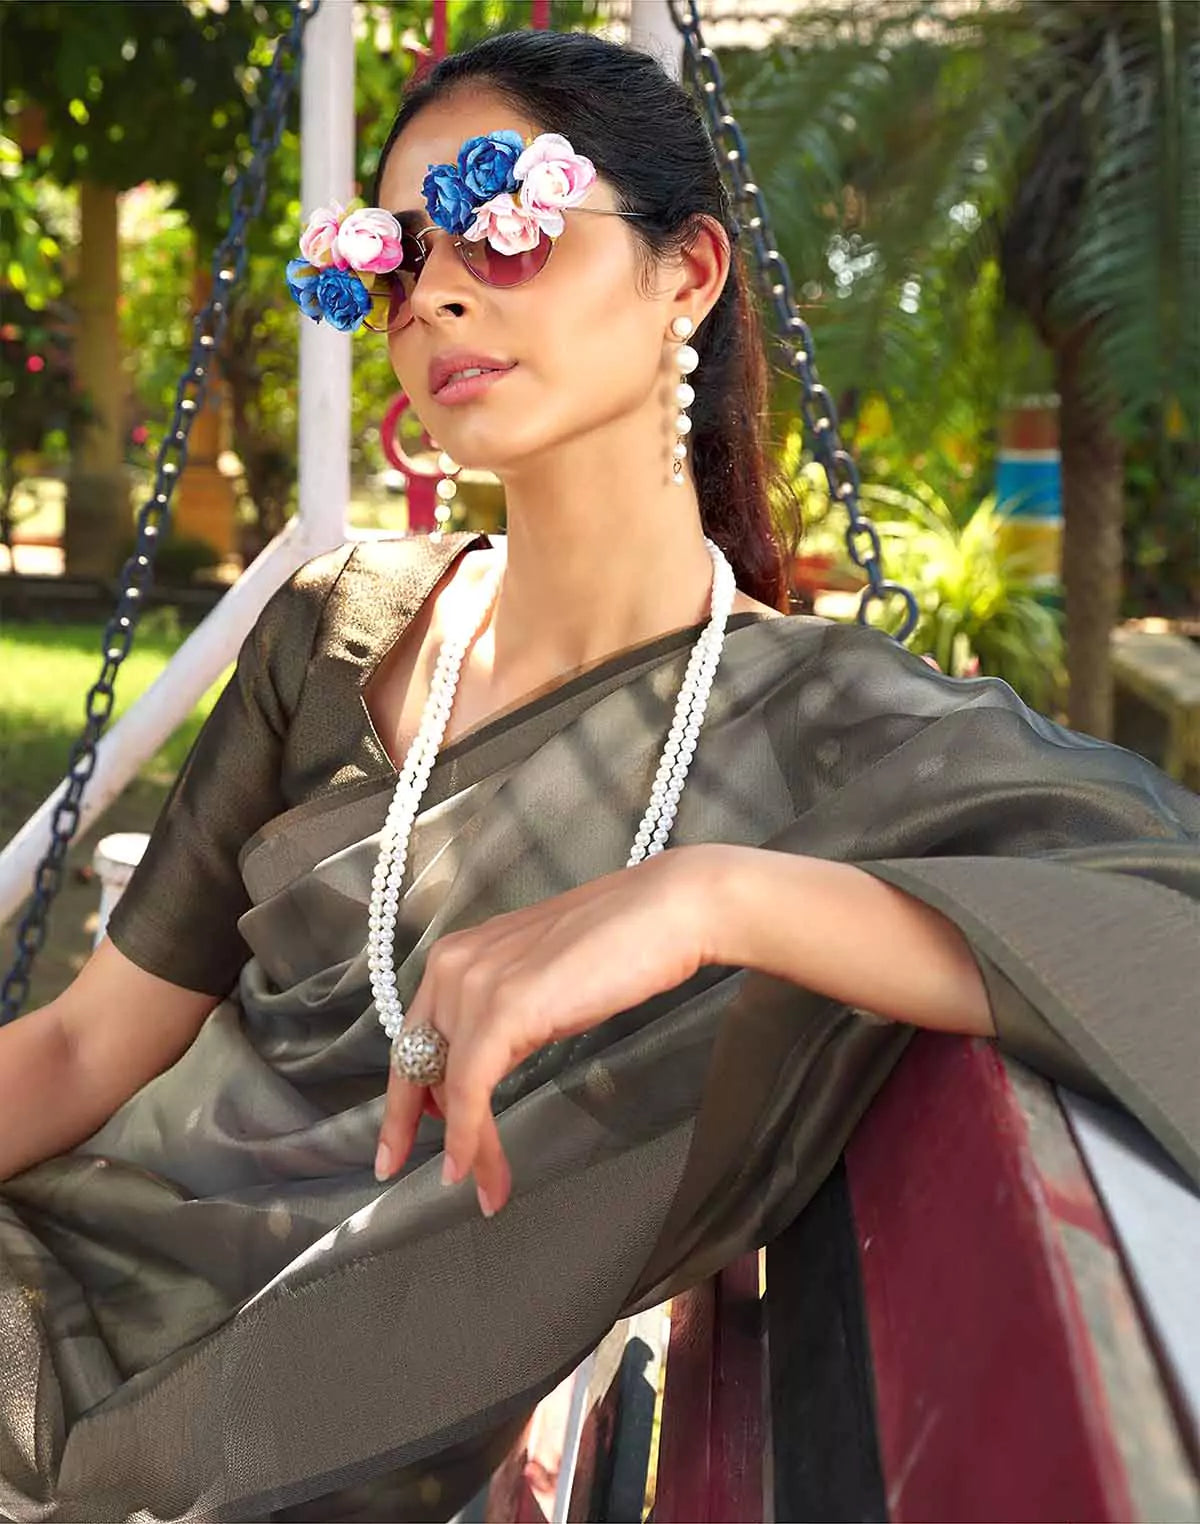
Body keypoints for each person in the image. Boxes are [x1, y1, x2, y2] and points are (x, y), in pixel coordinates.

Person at [1, 28, 1197, 1524]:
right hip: (40, 1305)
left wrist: (714, 898)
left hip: (283, 1432)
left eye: (502, 226)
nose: (437, 297)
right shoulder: (337, 630)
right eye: (399, 258)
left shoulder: (833, 731)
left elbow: (1170, 944)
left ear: (687, 274)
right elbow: (80, 1051)